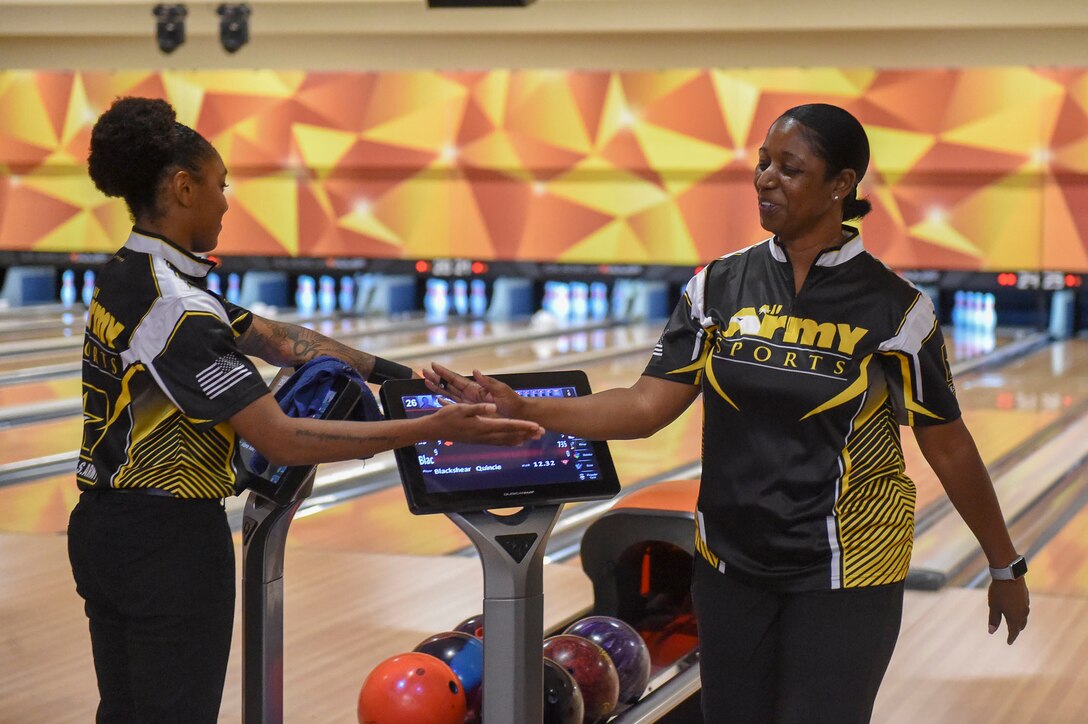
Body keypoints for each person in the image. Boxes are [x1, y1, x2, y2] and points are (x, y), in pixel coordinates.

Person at [425, 103, 1030, 723]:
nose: (765, 178)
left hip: (847, 571)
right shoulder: (717, 286)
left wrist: (1003, 564)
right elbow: (644, 406)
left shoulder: (896, 310)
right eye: (763, 163)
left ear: (841, 185)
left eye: (789, 168)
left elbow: (948, 444)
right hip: (728, 564)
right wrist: (525, 407)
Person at [69, 96, 543, 724]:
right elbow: (283, 438)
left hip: (106, 530)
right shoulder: (178, 311)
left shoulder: (133, 273)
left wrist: (408, 379)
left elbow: (272, 337)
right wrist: (429, 428)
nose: (227, 202)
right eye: (220, 185)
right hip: (167, 547)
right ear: (183, 188)